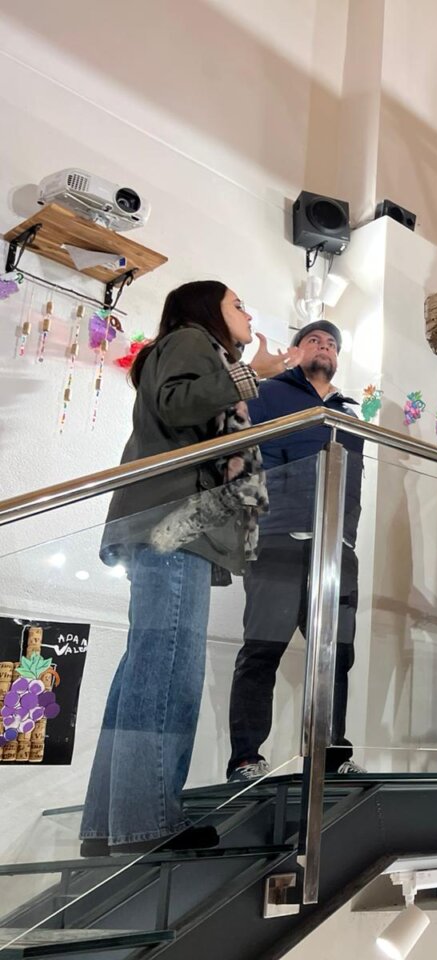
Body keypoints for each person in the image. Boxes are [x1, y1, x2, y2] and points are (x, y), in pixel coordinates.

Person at [82, 280, 296, 855]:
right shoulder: (190, 341)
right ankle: (147, 823)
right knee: (168, 671)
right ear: (208, 311)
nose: (248, 312)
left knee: (143, 671)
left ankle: (110, 825)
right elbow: (177, 402)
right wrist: (255, 374)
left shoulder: (189, 348)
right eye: (239, 303)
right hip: (174, 524)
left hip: (163, 522)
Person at [225, 319, 366, 782]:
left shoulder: (350, 415)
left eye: (331, 342)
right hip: (277, 540)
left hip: (337, 549)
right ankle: (246, 757)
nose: (324, 346)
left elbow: (354, 486)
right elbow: (245, 454)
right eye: (313, 340)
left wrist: (347, 537)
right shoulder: (268, 395)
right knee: (263, 649)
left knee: (336, 655)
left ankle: (330, 755)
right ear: (295, 351)